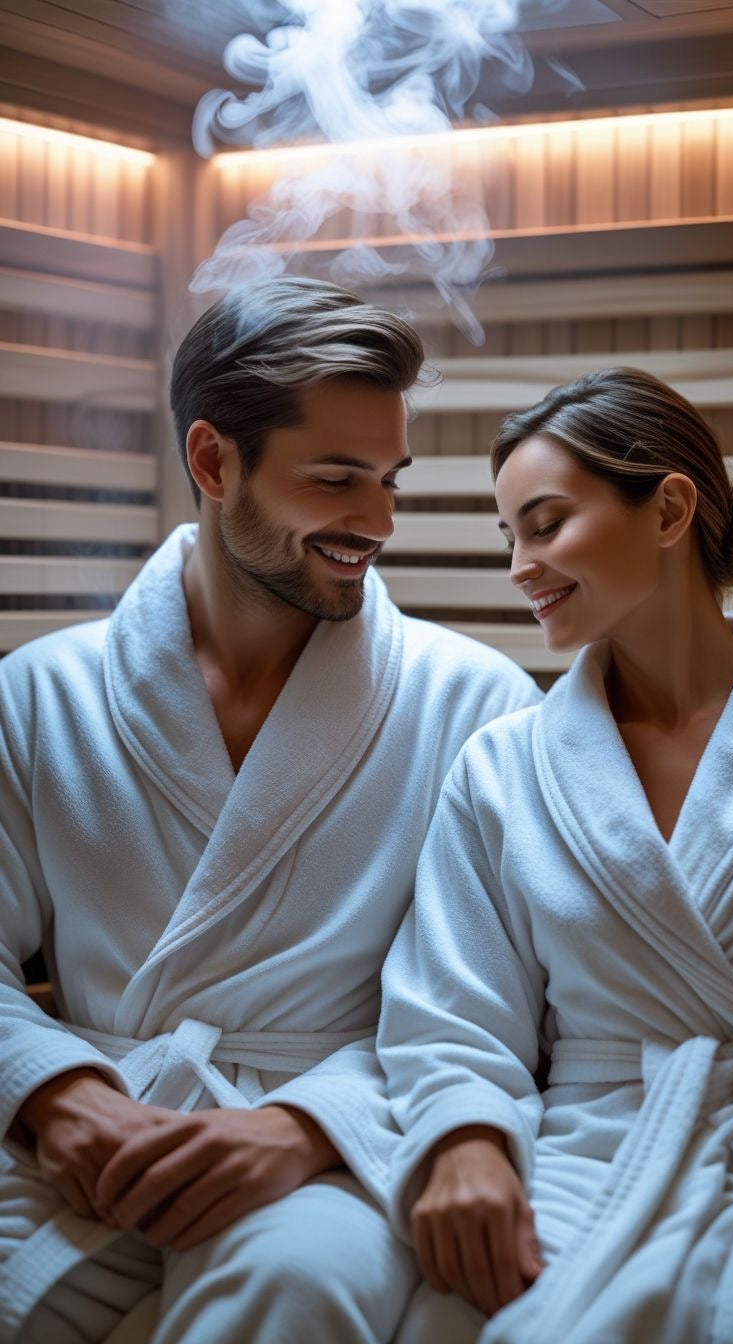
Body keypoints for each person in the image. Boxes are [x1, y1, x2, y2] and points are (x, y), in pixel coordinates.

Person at [0, 276, 540, 1344]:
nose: (377, 523)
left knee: (295, 1289)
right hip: (87, 1125)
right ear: (211, 461)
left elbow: (492, 998)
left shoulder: (474, 705)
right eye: (337, 479)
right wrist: (54, 1098)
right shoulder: (38, 694)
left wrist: (303, 1127)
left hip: (336, 1143)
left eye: (390, 480)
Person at [378, 366, 733, 1344]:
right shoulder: (501, 766)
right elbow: (446, 1015)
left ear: (666, 509)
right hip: (573, 1176)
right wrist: (466, 1143)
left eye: (542, 524)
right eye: (507, 538)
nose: (518, 565)